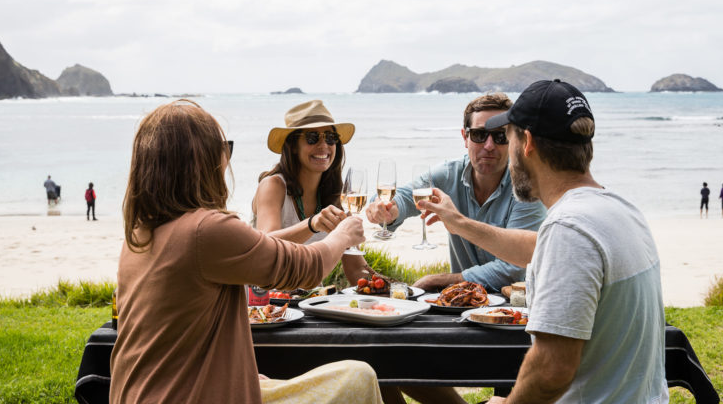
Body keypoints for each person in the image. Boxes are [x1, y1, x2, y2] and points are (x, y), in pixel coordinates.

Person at [109, 99, 382, 404]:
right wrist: (341, 236)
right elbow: (303, 269)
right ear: (200, 159)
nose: (226, 159)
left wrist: (238, 373)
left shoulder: (139, 235)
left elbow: (178, 336)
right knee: (360, 377)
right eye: (223, 148)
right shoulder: (206, 230)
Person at [421, 79, 668, 403]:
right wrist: (462, 225)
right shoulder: (618, 209)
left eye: (505, 139)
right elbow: (536, 247)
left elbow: (552, 371)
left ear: (528, 144)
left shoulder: (569, 230)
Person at [366, 93, 546, 293]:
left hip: (516, 309)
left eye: (500, 136)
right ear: (465, 137)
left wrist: (440, 280)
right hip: (459, 304)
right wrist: (387, 209)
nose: (489, 146)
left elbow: (514, 269)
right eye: (479, 135)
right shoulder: (450, 173)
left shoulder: (528, 186)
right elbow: (406, 196)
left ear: (513, 140)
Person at [252, 99, 374, 285]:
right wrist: (312, 224)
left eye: (331, 138)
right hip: (266, 303)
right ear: (293, 146)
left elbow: (356, 268)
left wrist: (395, 290)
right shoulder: (273, 185)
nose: (324, 145)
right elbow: (265, 245)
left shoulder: (337, 197)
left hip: (312, 303)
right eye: (312, 138)